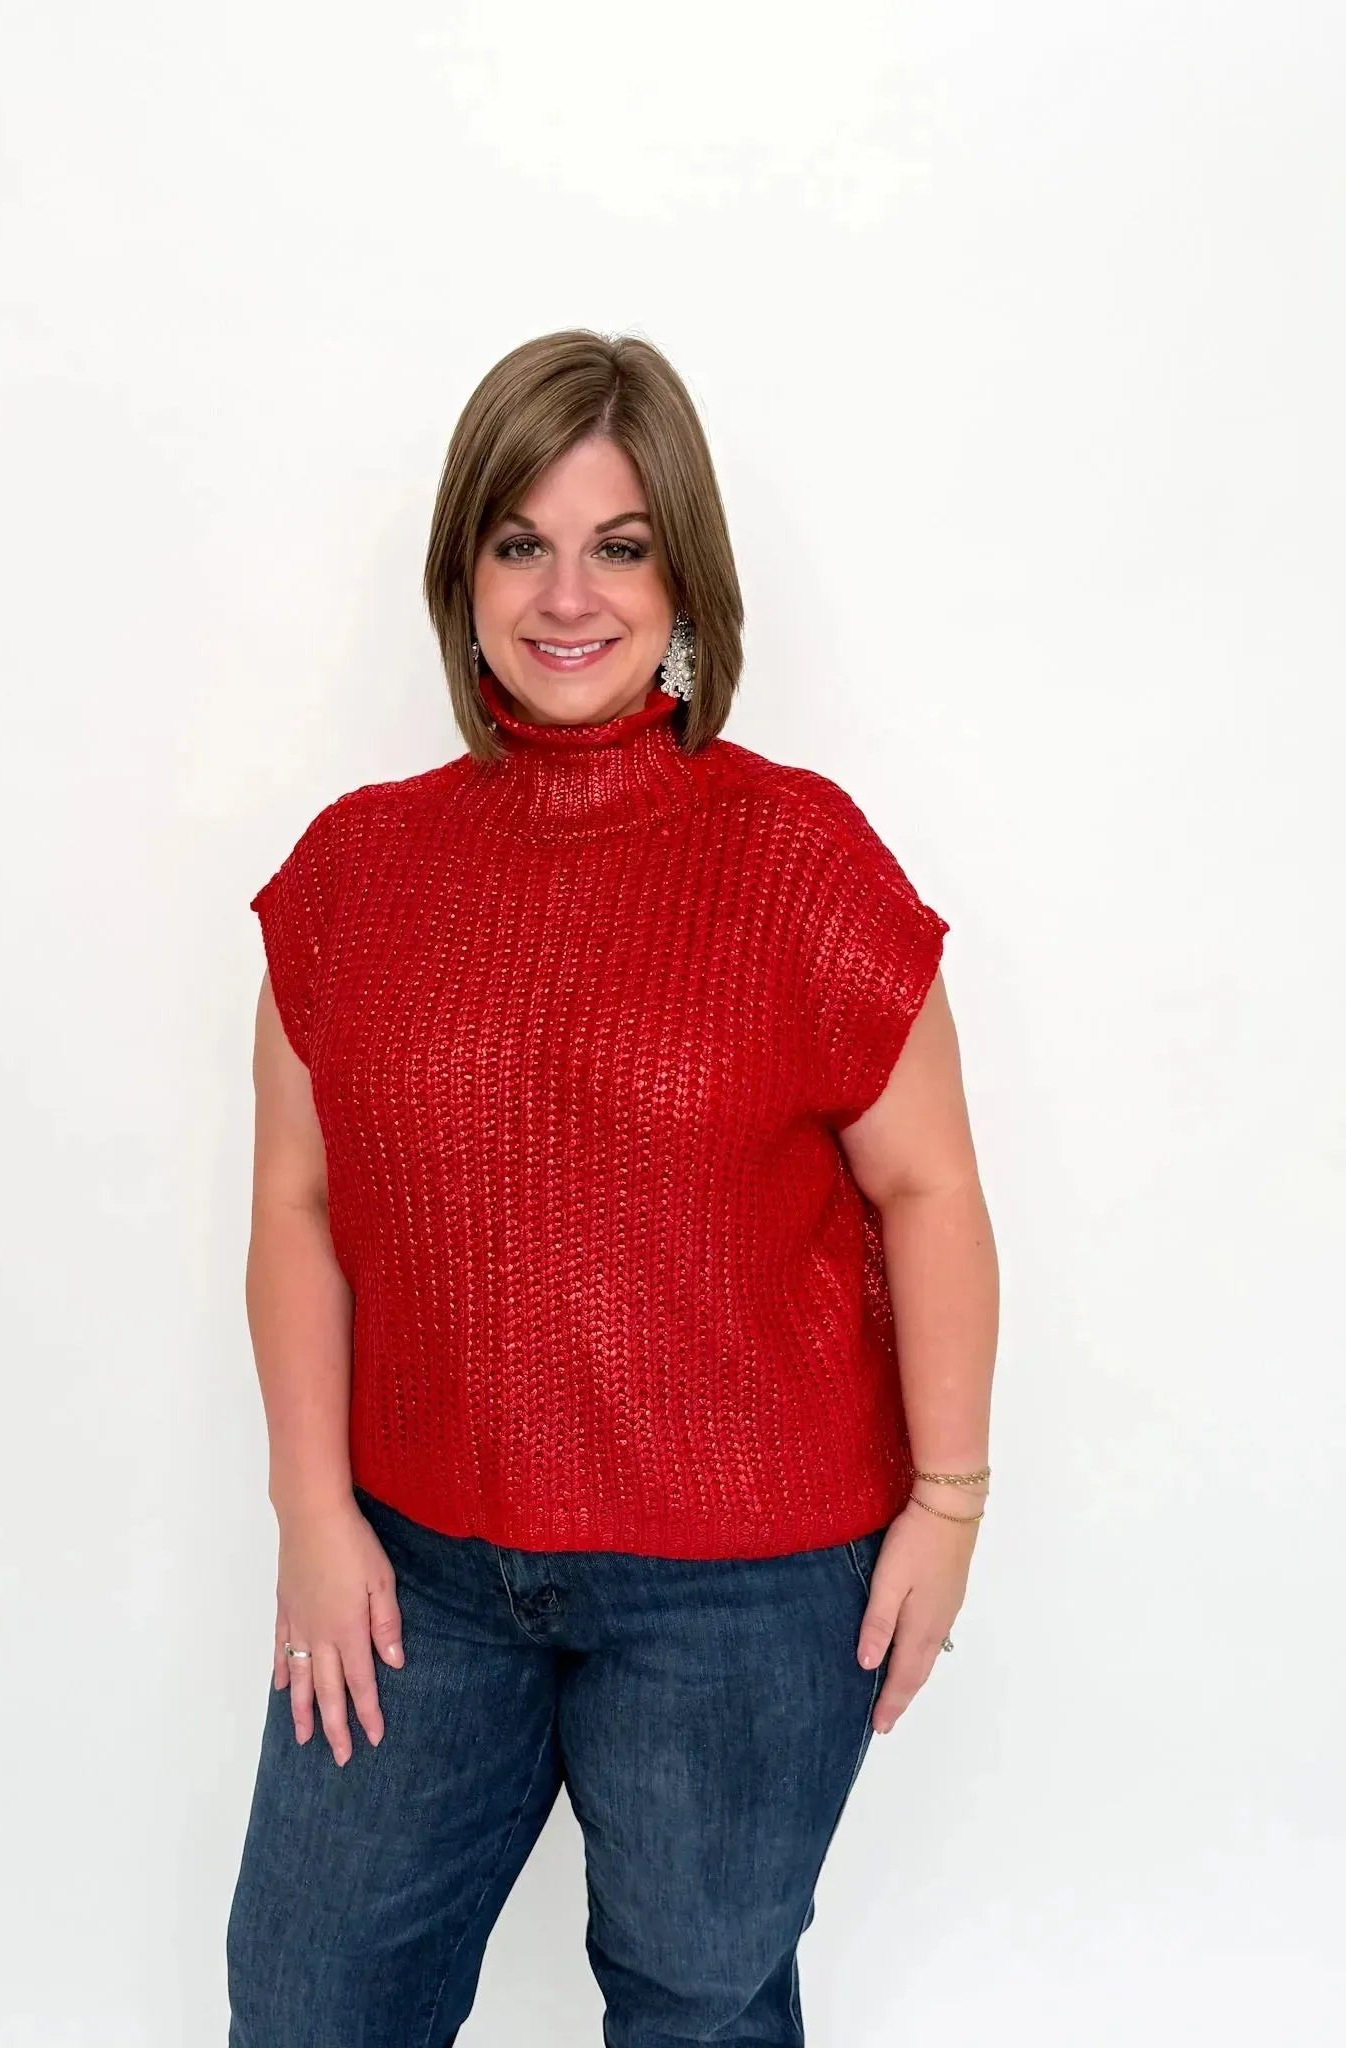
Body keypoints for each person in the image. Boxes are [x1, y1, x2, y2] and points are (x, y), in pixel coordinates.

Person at [226, 328, 999, 2048]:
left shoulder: (800, 859)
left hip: (746, 1588)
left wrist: (947, 1507)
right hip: (418, 1569)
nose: (567, 595)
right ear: (465, 575)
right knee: (308, 2001)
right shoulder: (354, 871)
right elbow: (297, 1205)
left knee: (697, 2014)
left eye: (620, 546)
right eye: (521, 543)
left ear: (685, 577)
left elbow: (931, 1189)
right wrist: (311, 1513)